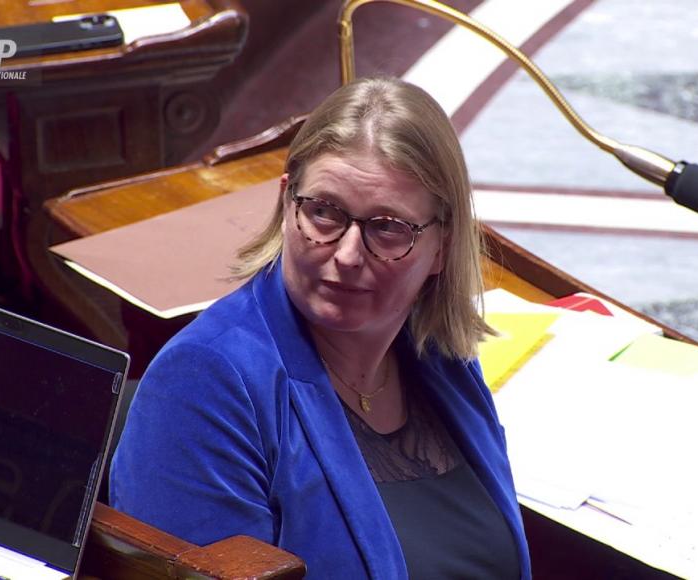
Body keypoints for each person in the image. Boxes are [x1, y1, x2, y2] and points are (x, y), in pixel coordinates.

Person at [110, 77, 531, 579]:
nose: (348, 255)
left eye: (388, 227)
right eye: (325, 213)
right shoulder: (203, 382)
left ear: (442, 245)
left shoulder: (437, 352)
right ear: (288, 204)